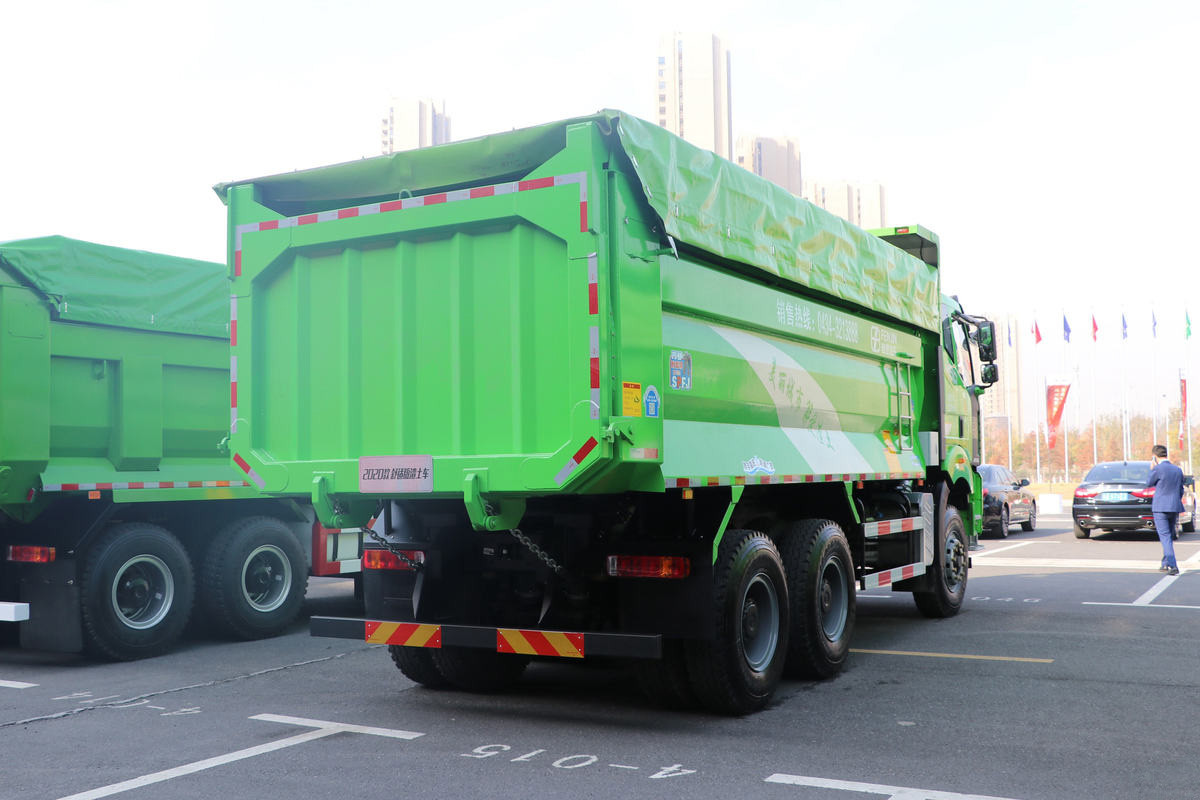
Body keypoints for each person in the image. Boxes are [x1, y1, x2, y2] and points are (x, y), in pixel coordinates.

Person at [1146, 444, 1185, 575]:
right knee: (1168, 535)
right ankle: (1165, 563)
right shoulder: (1177, 470)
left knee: (1165, 536)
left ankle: (1173, 565)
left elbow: (1148, 483)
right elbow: (1181, 489)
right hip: (1174, 506)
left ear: (1154, 456)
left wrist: (1152, 469)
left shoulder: (1157, 469)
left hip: (1160, 507)